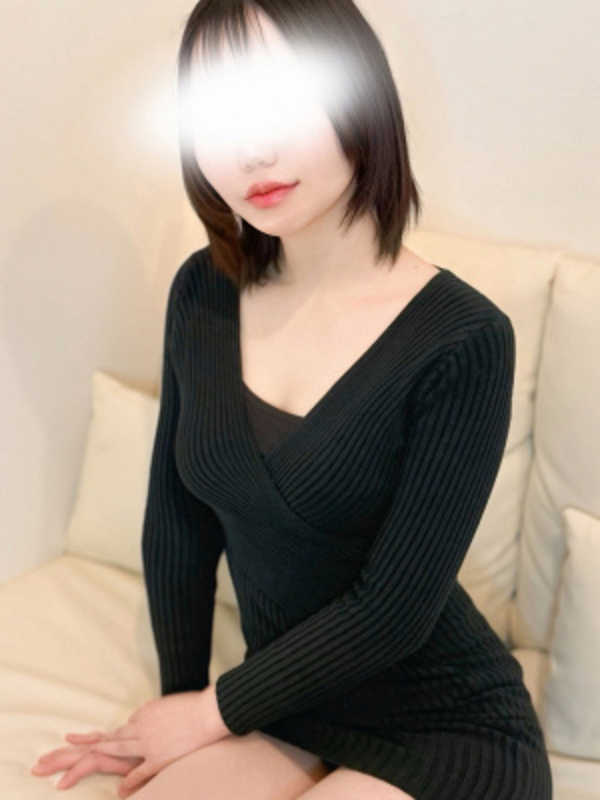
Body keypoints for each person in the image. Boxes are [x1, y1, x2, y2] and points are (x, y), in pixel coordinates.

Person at [30, 2, 554, 798]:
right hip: (283, 702)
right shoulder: (203, 291)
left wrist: (207, 713)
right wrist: (177, 710)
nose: (253, 150)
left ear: (360, 98)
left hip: (445, 723)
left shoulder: (465, 338)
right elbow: (178, 523)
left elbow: (393, 610)